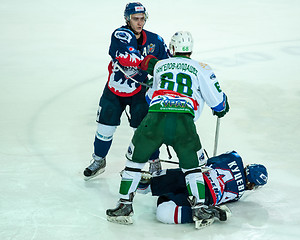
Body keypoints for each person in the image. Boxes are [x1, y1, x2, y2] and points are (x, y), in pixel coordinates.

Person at [106, 31, 230, 229]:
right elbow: (218, 102)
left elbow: (149, 96)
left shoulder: (161, 65)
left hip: (154, 118)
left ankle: (124, 207)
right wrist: (222, 108)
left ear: (172, 49)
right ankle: (199, 209)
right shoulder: (202, 68)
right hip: (183, 122)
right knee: (192, 168)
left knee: (134, 163)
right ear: (191, 50)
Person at [83, 2, 170, 180]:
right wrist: (148, 63)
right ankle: (99, 160)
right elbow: (128, 58)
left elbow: (166, 65)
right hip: (114, 91)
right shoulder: (120, 34)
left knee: (146, 129)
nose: (139, 22)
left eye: (142, 19)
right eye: (135, 19)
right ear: (127, 19)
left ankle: (154, 162)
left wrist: (160, 79)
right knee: (104, 129)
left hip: (139, 91)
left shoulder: (156, 41)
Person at [137, 151, 268, 226]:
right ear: (251, 185)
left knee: (146, 184)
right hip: (202, 196)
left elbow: (208, 162)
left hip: (192, 176)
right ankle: (207, 212)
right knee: (164, 212)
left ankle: (143, 183)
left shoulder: (234, 156)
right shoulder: (238, 194)